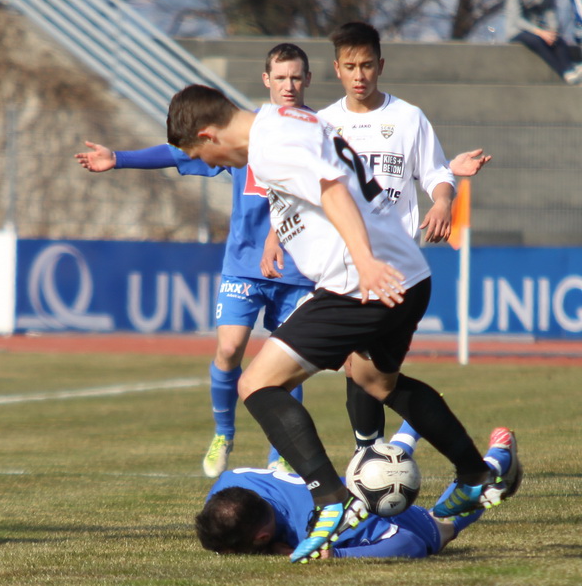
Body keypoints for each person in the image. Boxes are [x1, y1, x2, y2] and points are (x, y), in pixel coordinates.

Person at [165, 84, 511, 563]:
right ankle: (475, 474)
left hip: (358, 283)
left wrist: (364, 261)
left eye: (199, 155)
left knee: (256, 384)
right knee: (375, 381)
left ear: (207, 134)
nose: (208, 164)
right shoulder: (288, 119)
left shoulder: (269, 143)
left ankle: (332, 499)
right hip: (406, 273)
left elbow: (331, 188)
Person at [75, 43, 316, 478]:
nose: (289, 85)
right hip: (244, 263)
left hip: (296, 268)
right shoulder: (242, 131)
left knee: (285, 365)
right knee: (229, 349)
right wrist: (120, 159)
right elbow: (181, 150)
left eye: (296, 77)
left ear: (308, 80)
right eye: (281, 77)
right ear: (266, 80)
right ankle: (224, 432)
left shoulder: (313, 132)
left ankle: (280, 455)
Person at [317, 21, 491, 451]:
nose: (359, 75)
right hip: (342, 263)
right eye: (350, 67)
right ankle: (376, 453)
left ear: (381, 65)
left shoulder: (408, 118)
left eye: (367, 65)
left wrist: (443, 202)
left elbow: (436, 173)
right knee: (365, 369)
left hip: (396, 265)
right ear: (337, 69)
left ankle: (375, 453)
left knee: (371, 369)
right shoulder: (323, 124)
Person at [195, 423, 522, 558]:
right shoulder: (229, 485)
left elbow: (408, 543)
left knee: (439, 529)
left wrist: (336, 555)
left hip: (380, 510)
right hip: (351, 481)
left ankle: (498, 460)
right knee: (384, 472)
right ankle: (411, 426)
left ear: (263, 537)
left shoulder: (317, 527)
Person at [505, 0, 582, 84]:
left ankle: (570, 69)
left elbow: (551, 13)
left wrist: (552, 32)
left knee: (558, 41)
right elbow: (516, 19)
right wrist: (540, 32)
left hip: (540, 30)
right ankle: (564, 72)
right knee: (537, 41)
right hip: (518, 30)